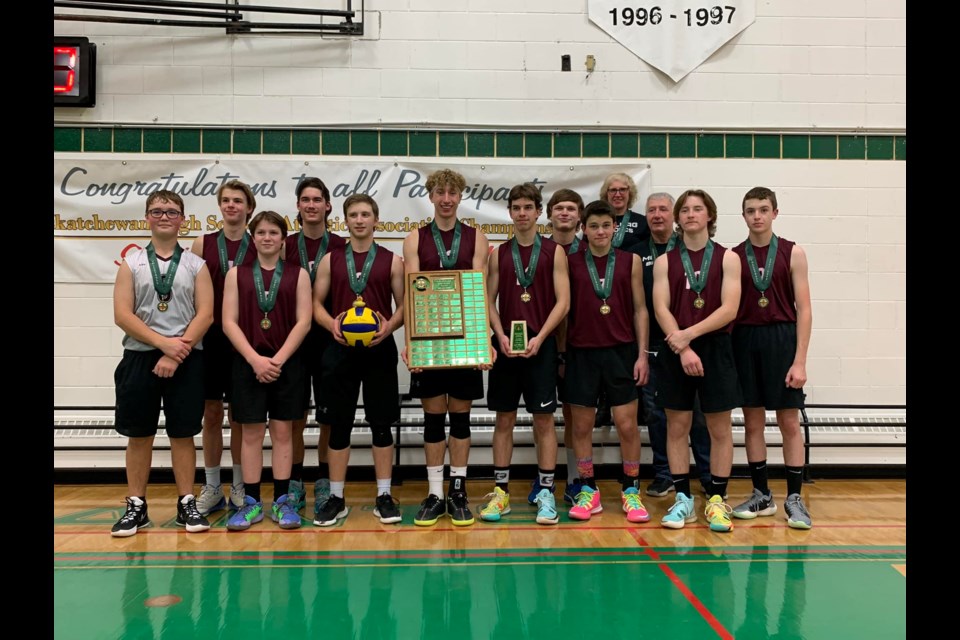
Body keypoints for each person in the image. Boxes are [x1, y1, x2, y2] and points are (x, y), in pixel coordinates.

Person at [110, 190, 214, 536]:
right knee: (139, 434)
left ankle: (186, 503)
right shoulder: (132, 263)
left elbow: (206, 314)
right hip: (140, 357)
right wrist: (162, 345)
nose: (164, 216)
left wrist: (175, 350)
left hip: (186, 359)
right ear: (147, 218)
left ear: (183, 218)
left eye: (171, 211)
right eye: (157, 211)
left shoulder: (196, 265)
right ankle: (136, 506)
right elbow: (122, 315)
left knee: (182, 434)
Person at [401, 168, 493, 527]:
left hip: (465, 343)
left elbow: (480, 294)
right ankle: (435, 491)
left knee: (460, 416)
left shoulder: (477, 238)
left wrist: (482, 344)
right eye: (439, 192)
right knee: (433, 417)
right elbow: (410, 293)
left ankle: (458, 489)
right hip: (428, 343)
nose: (446, 198)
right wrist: (410, 344)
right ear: (430, 195)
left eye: (452, 192)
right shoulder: (414, 239)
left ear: (460, 196)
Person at [311, 194, 406, 526]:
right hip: (339, 350)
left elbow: (405, 305)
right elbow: (315, 305)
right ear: (345, 221)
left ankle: (383, 495)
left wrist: (389, 326)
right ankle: (337, 497)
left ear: (376, 220)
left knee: (381, 425)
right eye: (354, 215)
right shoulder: (330, 260)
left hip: (379, 349)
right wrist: (331, 324)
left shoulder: (393, 261)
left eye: (366, 214)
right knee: (339, 426)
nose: (360, 220)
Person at [479, 183, 570, 526]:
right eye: (515, 207)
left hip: (540, 344)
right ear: (510, 212)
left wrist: (543, 337)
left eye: (527, 207)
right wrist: (500, 334)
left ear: (537, 211)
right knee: (503, 419)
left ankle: (546, 490)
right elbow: (488, 300)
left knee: (544, 420)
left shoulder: (553, 252)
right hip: (506, 345)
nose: (521, 213)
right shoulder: (498, 253)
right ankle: (500, 493)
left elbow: (564, 301)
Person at [652, 189, 742, 533]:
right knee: (677, 428)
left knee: (719, 429)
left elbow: (729, 308)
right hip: (676, 351)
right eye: (685, 210)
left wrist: (689, 335)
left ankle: (717, 500)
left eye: (697, 209)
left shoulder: (728, 258)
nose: (691, 214)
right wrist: (683, 346)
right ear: (679, 218)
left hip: (715, 348)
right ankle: (684, 500)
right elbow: (661, 307)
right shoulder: (665, 261)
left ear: (709, 216)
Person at [222, 211, 313, 531]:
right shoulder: (237, 275)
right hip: (248, 365)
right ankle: (249, 503)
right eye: (261, 232)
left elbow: (304, 321)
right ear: (252, 237)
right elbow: (228, 321)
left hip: (287, 365)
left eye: (274, 232)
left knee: (284, 433)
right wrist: (255, 360)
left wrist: (278, 360)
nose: (267, 237)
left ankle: (283, 500)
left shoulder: (298, 274)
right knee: (250, 434)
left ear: (283, 239)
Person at [730, 187, 814, 529]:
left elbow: (805, 309)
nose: (757, 216)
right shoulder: (734, 256)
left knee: (789, 422)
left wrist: (800, 360)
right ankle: (761, 493)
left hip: (782, 338)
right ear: (744, 215)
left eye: (763, 209)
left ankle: (794, 497)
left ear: (775, 213)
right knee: (752, 422)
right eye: (750, 210)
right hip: (745, 339)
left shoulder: (794, 252)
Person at [564, 200, 650, 523]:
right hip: (581, 353)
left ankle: (631, 490)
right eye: (593, 226)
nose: (600, 232)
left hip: (622, 352)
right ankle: (588, 489)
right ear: (583, 229)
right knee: (582, 426)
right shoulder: (570, 263)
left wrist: (642, 354)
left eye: (606, 226)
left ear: (615, 228)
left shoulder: (631, 261)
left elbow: (641, 309)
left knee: (628, 425)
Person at [637, 193, 714, 499]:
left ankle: (708, 476)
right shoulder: (634, 252)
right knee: (656, 414)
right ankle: (664, 474)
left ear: (674, 216)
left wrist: (687, 338)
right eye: (651, 210)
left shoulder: (692, 250)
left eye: (663, 209)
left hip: (693, 340)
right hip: (656, 341)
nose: (657, 215)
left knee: (699, 414)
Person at [191, 180, 257, 516]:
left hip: (244, 340)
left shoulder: (260, 244)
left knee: (242, 418)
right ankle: (213, 485)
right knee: (212, 414)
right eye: (226, 200)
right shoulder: (202, 244)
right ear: (220, 206)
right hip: (212, 340)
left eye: (238, 201)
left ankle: (241, 485)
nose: (232, 206)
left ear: (249, 207)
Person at [284, 177, 347, 517]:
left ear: (327, 206)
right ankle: (295, 481)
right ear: (298, 206)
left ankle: (324, 480)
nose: (311, 205)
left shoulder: (341, 246)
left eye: (317, 199)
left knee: (328, 416)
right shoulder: (284, 246)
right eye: (305, 199)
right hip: (293, 341)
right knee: (295, 416)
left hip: (330, 342)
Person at [543, 188, 586, 505]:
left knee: (574, 416)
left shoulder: (592, 251)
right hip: (543, 344)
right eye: (559, 207)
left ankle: (575, 479)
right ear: (549, 214)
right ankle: (544, 481)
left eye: (571, 208)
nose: (565, 213)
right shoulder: (537, 251)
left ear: (579, 215)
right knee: (541, 416)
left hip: (580, 348)